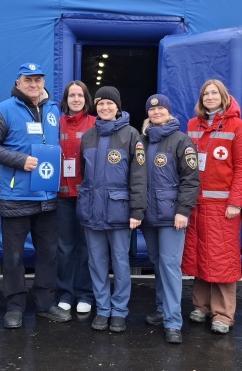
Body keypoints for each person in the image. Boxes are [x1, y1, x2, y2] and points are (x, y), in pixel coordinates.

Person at [0, 63, 71, 329]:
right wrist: (20, 161)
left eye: (38, 79)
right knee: (13, 256)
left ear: (44, 82)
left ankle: (45, 303)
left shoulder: (53, 110)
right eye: (28, 80)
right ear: (18, 83)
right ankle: (16, 305)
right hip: (16, 196)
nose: (33, 84)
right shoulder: (5, 110)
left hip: (47, 196)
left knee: (48, 253)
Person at [181, 80, 242, 335]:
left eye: (214, 93)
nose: (209, 97)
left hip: (223, 207)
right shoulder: (192, 125)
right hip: (196, 204)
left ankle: (223, 314)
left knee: (222, 260)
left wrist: (236, 203)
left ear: (223, 97)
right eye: (205, 94)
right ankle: (202, 306)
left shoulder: (237, 127)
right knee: (200, 257)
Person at [76, 86, 146, 333]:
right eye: (101, 103)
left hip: (119, 211)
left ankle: (119, 311)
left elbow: (139, 177)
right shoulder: (88, 136)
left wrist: (137, 211)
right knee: (96, 262)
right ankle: (103, 309)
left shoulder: (131, 135)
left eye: (110, 103)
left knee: (120, 262)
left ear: (118, 106)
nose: (105, 107)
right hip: (92, 211)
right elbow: (83, 174)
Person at [140, 94, 200, 344]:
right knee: (157, 262)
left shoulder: (181, 141)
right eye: (152, 110)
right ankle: (162, 308)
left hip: (171, 216)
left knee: (170, 265)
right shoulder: (141, 141)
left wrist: (183, 211)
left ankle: (173, 321)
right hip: (147, 216)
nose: (156, 113)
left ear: (169, 112)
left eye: (161, 109)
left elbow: (191, 179)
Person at [56, 81, 95, 315]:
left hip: (86, 197)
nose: (76, 99)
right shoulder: (56, 123)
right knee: (64, 248)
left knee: (86, 248)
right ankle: (65, 293)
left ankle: (85, 294)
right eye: (72, 95)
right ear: (66, 99)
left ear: (86, 98)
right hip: (61, 196)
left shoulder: (95, 124)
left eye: (80, 95)